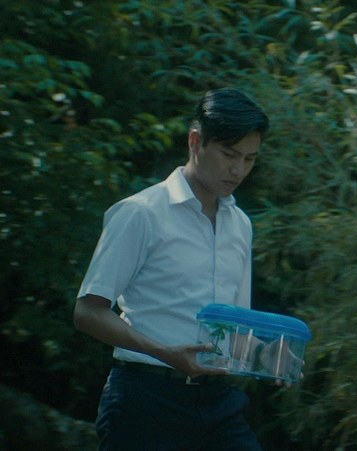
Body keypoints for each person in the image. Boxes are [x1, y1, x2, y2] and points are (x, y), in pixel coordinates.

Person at [74, 87, 272, 450]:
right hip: (145, 401)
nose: (238, 170)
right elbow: (87, 312)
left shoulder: (240, 224)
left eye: (249, 159)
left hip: (219, 403)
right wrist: (165, 352)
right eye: (229, 155)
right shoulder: (141, 213)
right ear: (195, 141)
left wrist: (270, 359)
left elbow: (234, 328)